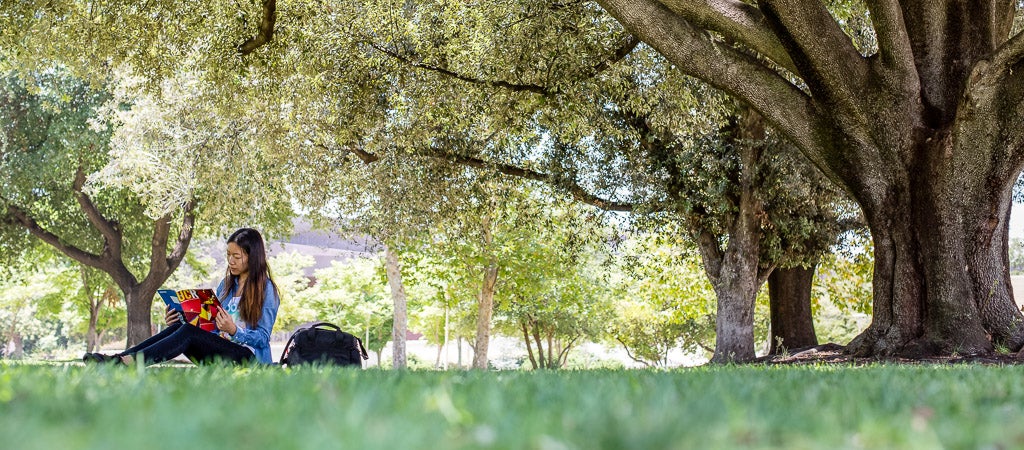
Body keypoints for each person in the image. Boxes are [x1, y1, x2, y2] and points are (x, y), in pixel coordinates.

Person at [83, 228, 281, 366]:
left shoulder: (267, 290)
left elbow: (263, 338)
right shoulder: (227, 286)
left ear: (252, 257)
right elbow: (210, 326)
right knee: (181, 326)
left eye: (236, 256)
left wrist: (234, 330)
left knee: (187, 331)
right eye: (228, 255)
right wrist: (184, 318)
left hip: (247, 357)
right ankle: (121, 359)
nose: (230, 261)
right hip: (221, 351)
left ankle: (129, 362)